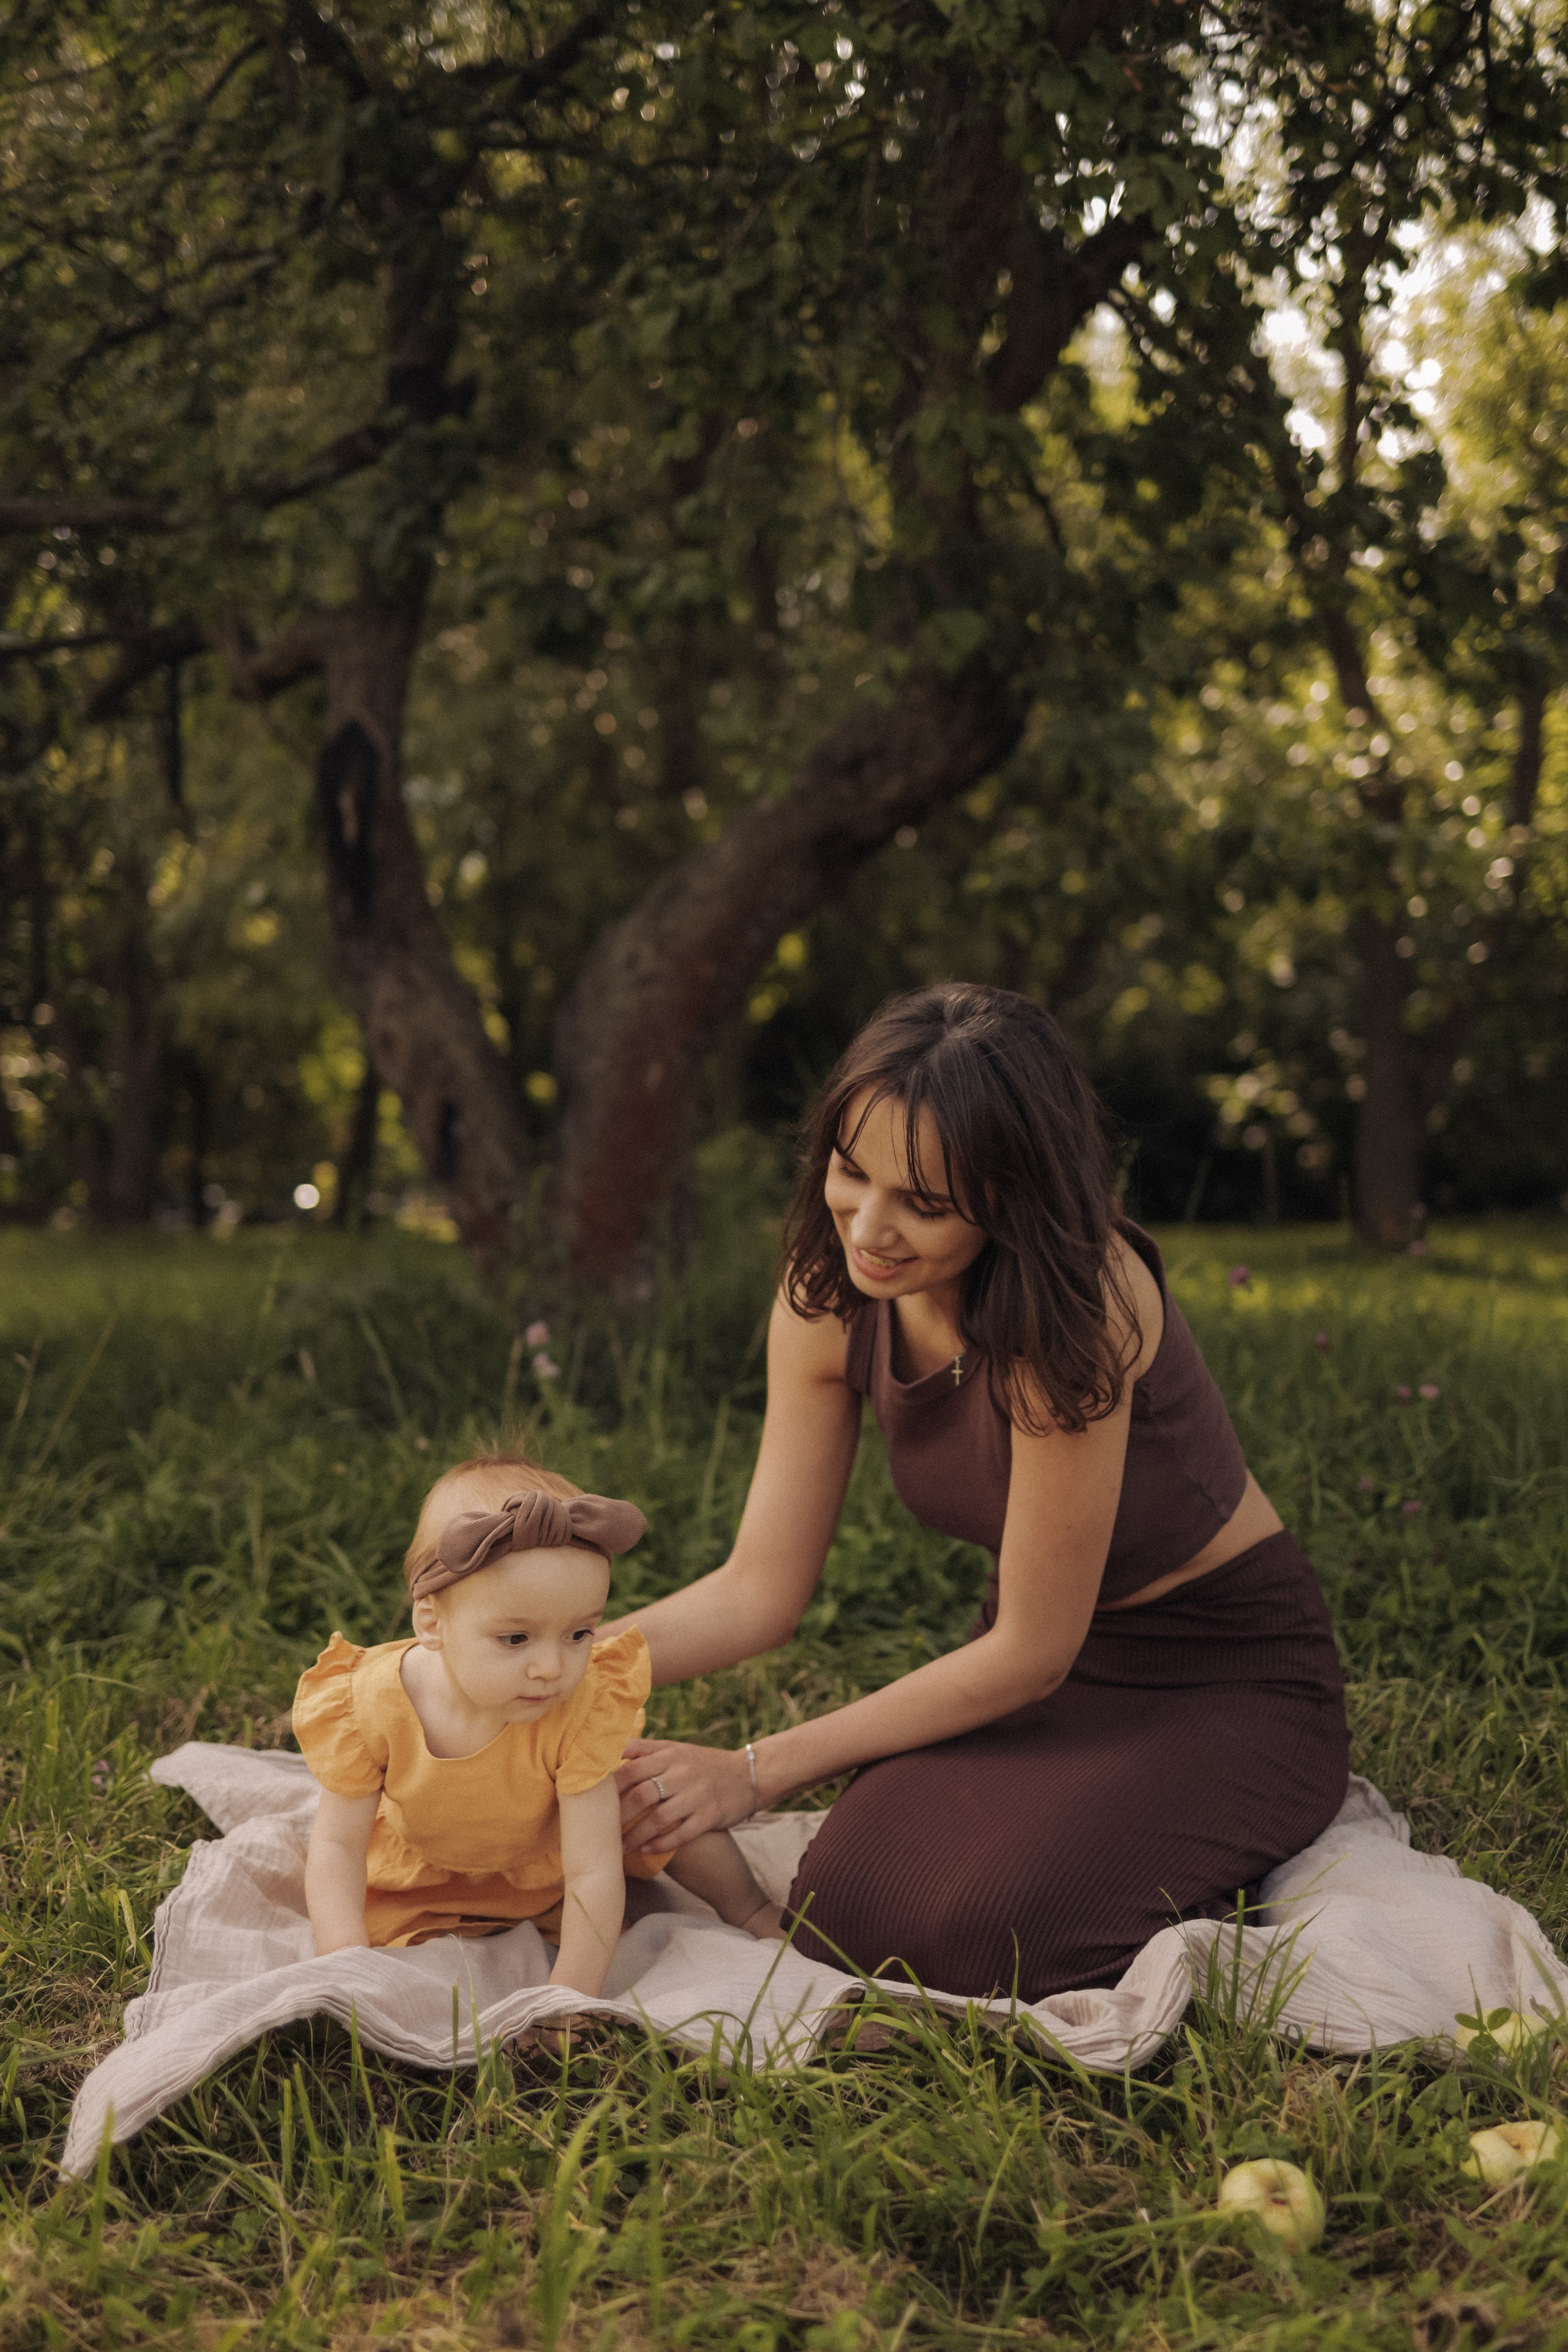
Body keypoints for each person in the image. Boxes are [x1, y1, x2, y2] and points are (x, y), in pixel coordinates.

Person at [606, 983, 1350, 2002]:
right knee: (849, 1904)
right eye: (850, 1172)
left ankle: (1193, 1832)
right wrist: (559, 1671)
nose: (869, 1226)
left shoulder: (1078, 1306)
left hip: (1221, 1671)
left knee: (977, 1935)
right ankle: (1105, 1833)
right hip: (1030, 1663)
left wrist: (749, 1769)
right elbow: (759, 1589)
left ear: (1014, 1196)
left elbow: (1032, 1654)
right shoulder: (829, 1294)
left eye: (924, 1202)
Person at [294, 1453, 781, 1996]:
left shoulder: (576, 1708)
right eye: (515, 1639)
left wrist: (570, 1994)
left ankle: (754, 1909)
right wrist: (342, 1958)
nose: (552, 1669)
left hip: (550, 1856)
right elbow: (337, 1846)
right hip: (431, 1868)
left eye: (579, 1634)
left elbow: (594, 1872)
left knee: (659, 1803)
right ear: (432, 1622)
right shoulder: (371, 1702)